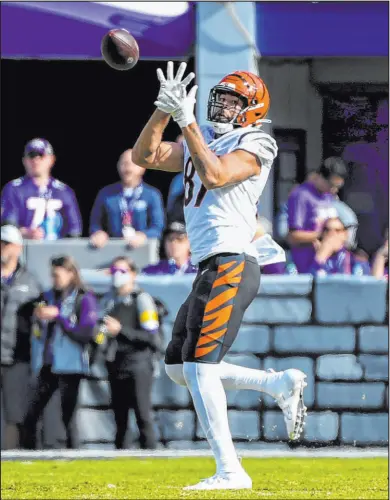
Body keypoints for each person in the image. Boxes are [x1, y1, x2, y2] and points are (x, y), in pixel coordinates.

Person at [132, 61, 307, 490]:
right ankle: (276, 383)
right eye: (221, 99)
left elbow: (215, 174)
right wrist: (163, 110)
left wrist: (187, 120)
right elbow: (145, 157)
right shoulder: (203, 136)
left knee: (201, 369)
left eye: (233, 101)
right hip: (209, 264)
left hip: (233, 260)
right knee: (177, 367)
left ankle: (231, 471)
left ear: (251, 108)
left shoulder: (257, 141)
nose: (223, 107)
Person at [21, 256, 98, 449]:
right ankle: (30, 455)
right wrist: (38, 315)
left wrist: (60, 317)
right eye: (52, 275)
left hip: (71, 365)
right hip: (50, 363)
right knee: (32, 412)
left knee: (69, 415)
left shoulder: (84, 298)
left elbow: (85, 333)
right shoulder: (49, 296)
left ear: (71, 273)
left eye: (58, 275)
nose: (54, 279)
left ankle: (74, 454)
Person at [99, 257, 160, 449]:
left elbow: (150, 337)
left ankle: (151, 456)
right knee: (119, 418)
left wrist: (121, 330)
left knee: (143, 414)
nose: (118, 275)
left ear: (133, 274)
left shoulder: (142, 299)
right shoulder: (108, 300)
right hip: (116, 363)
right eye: (115, 270)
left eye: (123, 271)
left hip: (139, 363)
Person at [1, 224, 41, 449]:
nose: (2, 249)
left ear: (18, 247)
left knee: (14, 412)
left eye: (6, 244)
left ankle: (10, 458)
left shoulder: (30, 280)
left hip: (17, 355)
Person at [1, 138, 82, 240]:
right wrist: (23, 233)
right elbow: (8, 223)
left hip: (58, 251)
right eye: (31, 156)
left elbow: (74, 230)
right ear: (24, 160)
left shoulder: (64, 191)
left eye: (41, 155)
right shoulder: (13, 188)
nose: (36, 160)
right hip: (23, 249)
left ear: (51, 159)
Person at [89, 149, 164, 249]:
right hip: (112, 249)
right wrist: (98, 233)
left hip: (142, 249)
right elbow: (95, 223)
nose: (127, 167)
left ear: (143, 168)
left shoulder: (152, 194)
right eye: (124, 163)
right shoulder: (106, 193)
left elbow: (157, 227)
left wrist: (144, 235)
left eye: (132, 163)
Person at [287, 157, 348, 273]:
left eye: (338, 187)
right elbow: (292, 236)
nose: (334, 190)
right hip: (307, 266)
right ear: (320, 176)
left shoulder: (327, 196)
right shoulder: (301, 195)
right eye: (331, 185)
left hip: (330, 265)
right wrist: (322, 236)